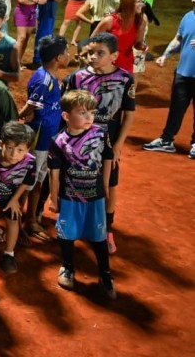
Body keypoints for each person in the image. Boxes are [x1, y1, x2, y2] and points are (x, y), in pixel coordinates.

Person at [63, 32, 135, 256]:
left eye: (99, 53)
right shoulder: (76, 77)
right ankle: (77, 225)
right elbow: (66, 111)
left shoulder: (125, 79)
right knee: (76, 182)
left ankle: (107, 229)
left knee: (109, 186)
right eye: (90, 52)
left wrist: (118, 145)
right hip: (78, 143)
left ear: (114, 56)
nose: (92, 57)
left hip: (108, 145)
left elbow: (128, 114)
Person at [48, 90, 116, 299]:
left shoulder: (100, 134)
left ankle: (105, 274)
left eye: (91, 113)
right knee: (67, 234)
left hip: (95, 196)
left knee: (99, 236)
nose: (89, 117)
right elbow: (54, 173)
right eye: (82, 113)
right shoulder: (59, 140)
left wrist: (105, 186)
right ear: (66, 116)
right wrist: (53, 199)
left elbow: (108, 158)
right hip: (70, 197)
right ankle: (68, 267)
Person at [18, 35, 70, 242]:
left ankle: (30, 220)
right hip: (39, 138)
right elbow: (29, 106)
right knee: (28, 181)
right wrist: (21, 116)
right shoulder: (44, 80)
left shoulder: (49, 77)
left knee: (37, 180)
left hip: (46, 138)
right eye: (66, 52)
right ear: (58, 57)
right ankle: (18, 224)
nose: (69, 55)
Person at [143, 0, 195, 158]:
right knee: (176, 109)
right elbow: (178, 38)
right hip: (183, 72)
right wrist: (165, 55)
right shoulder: (188, 17)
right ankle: (166, 140)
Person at [0, 122, 36, 274]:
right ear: (1, 144)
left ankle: (9, 254)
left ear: (28, 149)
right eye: (10, 148)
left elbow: (27, 182)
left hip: (11, 196)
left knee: (14, 218)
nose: (14, 154)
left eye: (20, 150)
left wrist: (14, 200)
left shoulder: (30, 161)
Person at [92, 0, 148, 73]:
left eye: (142, 1)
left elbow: (137, 43)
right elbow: (92, 40)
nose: (142, 4)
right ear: (128, 3)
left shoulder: (141, 21)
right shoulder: (110, 21)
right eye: (138, 1)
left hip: (126, 62)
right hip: (107, 63)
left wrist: (142, 47)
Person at [32, 0, 63, 67]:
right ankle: (37, 59)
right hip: (46, 14)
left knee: (46, 37)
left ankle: (41, 58)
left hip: (49, 14)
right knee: (43, 37)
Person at [14, 0, 47, 65]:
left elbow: (44, 0)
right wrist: (37, 0)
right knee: (21, 37)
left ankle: (19, 61)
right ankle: (13, 62)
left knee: (27, 38)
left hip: (31, 14)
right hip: (21, 12)